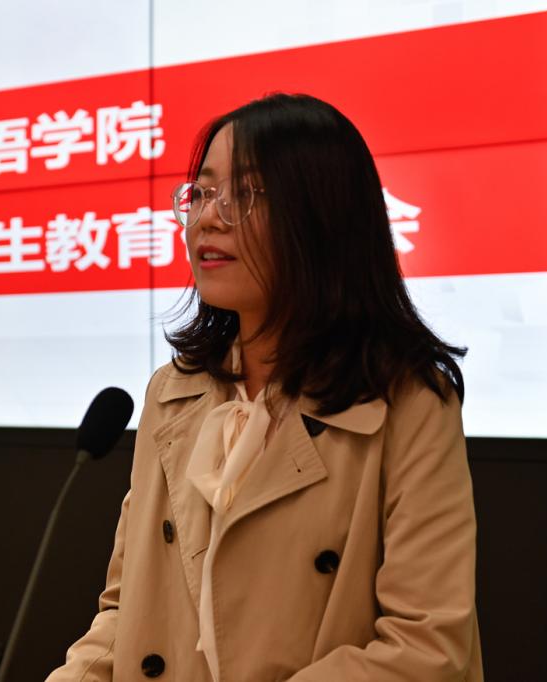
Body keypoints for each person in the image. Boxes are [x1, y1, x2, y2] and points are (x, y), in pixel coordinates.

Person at [46, 92, 483, 681]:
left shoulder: (408, 402)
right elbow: (127, 614)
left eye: (246, 194)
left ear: (324, 218)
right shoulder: (172, 393)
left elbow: (425, 648)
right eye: (202, 193)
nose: (209, 218)